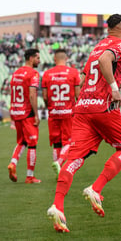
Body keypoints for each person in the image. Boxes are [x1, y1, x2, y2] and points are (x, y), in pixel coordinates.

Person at [47, 14, 121, 233]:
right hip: (103, 108)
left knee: (74, 160)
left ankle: (58, 206)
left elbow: (88, 79)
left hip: (83, 108)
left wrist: (113, 82)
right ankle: (96, 188)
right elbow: (106, 61)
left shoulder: (95, 48)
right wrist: (113, 88)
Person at [41, 49, 80, 178]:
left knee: (56, 143)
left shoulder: (47, 74)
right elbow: (77, 94)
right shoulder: (74, 73)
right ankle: (59, 163)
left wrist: (50, 107)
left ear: (54, 59)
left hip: (53, 112)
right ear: (66, 58)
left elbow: (45, 97)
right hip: (69, 112)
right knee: (69, 141)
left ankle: (59, 171)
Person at [7, 48, 41, 184]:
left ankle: (13, 163)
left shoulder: (15, 73)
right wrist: (36, 114)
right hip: (27, 113)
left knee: (22, 141)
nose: (39, 61)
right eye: (38, 58)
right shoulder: (33, 73)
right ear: (31, 58)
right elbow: (32, 94)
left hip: (16, 112)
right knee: (32, 144)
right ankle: (30, 176)